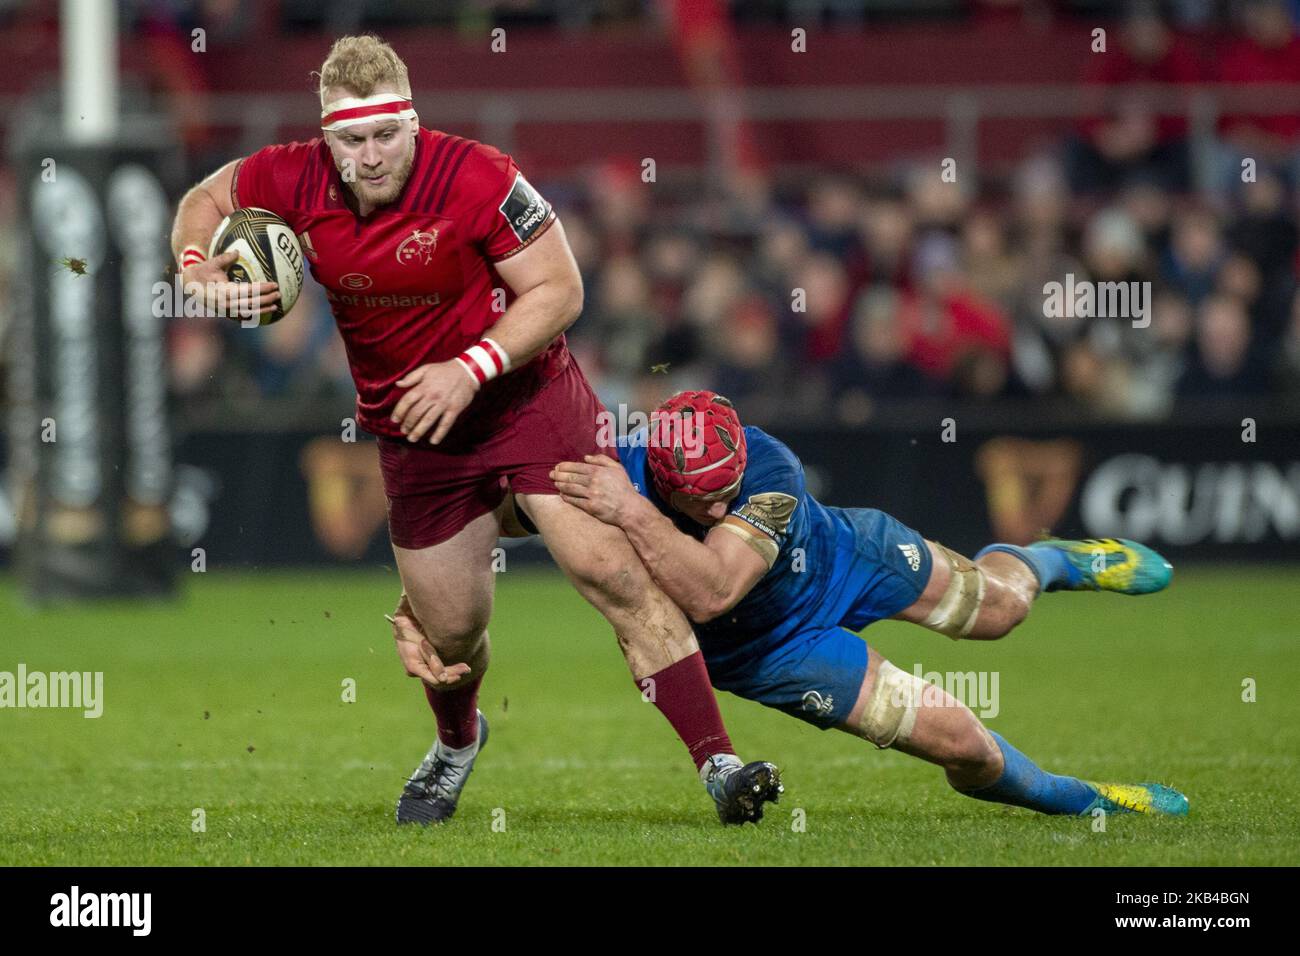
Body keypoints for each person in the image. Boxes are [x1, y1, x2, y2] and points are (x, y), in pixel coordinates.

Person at [168, 36, 782, 827]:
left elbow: (561, 289)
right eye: (353, 139)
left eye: (387, 134)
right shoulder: (288, 175)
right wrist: (192, 263)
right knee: (451, 637)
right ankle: (458, 743)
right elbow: (205, 199)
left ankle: (720, 764)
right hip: (417, 431)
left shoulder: (479, 175)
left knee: (612, 572)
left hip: (526, 401)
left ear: (413, 121)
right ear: (328, 139)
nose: (373, 153)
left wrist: (472, 365)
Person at [545, 389, 1189, 818]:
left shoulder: (769, 465)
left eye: (728, 492)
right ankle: (1086, 801)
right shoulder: (611, 471)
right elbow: (508, 505)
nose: (720, 507)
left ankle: (1059, 560)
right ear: (659, 475)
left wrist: (631, 513)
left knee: (1000, 611)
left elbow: (713, 589)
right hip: (773, 654)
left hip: (845, 557)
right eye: (703, 501)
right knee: (965, 744)